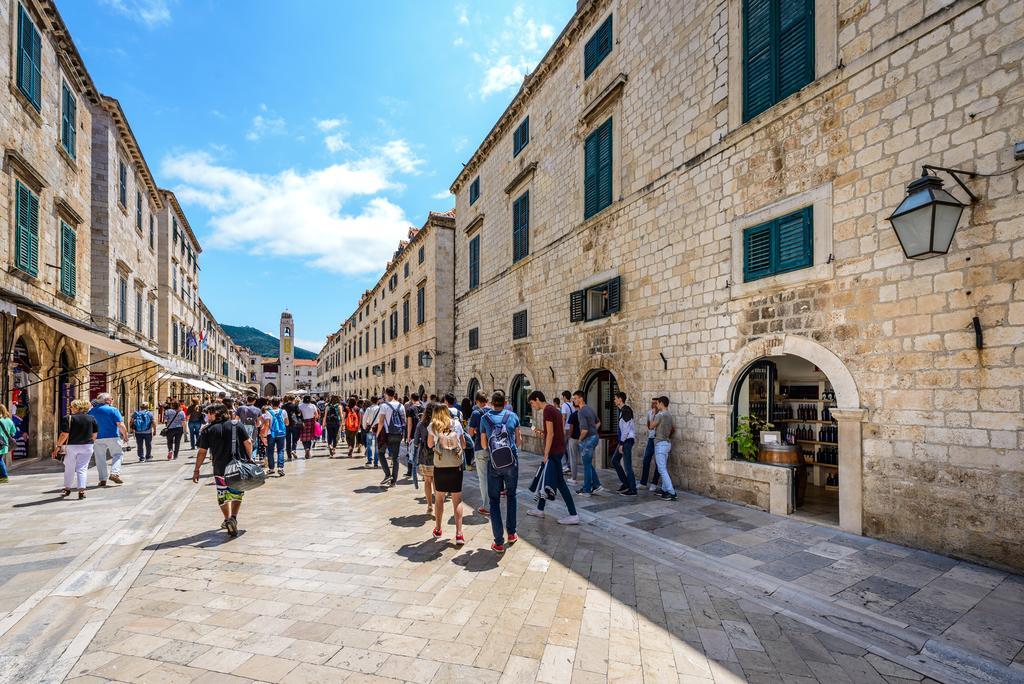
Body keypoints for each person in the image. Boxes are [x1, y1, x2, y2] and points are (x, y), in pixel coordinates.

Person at [192, 403, 253, 537]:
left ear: (217, 413)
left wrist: (197, 469)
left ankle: (226, 519)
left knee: (223, 495)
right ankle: (233, 518)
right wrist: (250, 459)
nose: (207, 416)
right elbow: (248, 442)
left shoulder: (208, 430)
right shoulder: (237, 425)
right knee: (237, 493)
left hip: (219, 468)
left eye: (209, 413)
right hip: (238, 467)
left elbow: (202, 452)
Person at [526, 391, 580, 524]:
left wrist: (545, 454)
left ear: (537, 399)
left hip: (553, 452)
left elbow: (550, 434)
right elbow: (555, 431)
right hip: (558, 450)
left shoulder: (547, 411)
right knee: (547, 480)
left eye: (532, 403)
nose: (532, 406)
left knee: (560, 483)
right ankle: (540, 509)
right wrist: (542, 432)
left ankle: (573, 514)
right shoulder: (554, 409)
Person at [479, 391, 521, 553]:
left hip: (494, 464)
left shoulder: (485, 418)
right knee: (511, 496)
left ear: (491, 402)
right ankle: (511, 533)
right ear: (505, 402)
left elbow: (483, 445)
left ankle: (498, 542)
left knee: (494, 501)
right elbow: (518, 441)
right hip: (511, 463)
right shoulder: (513, 416)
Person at [426, 403, 466, 545]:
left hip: (440, 466)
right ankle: (459, 534)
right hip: (455, 466)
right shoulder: (456, 424)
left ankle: (438, 528)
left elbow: (430, 445)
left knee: (439, 498)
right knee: (457, 499)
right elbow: (464, 444)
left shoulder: (432, 426)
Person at [52, 399, 98, 499]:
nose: (70, 408)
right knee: (82, 468)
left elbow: (64, 434)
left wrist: (58, 446)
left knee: (69, 467)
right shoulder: (91, 418)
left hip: (71, 446)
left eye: (72, 406)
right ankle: (81, 490)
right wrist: (90, 443)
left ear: (77, 408)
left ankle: (67, 488)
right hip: (87, 446)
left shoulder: (68, 418)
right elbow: (94, 434)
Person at [89, 393, 128, 485]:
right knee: (118, 454)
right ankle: (114, 473)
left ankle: (102, 479)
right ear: (107, 400)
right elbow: (120, 425)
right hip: (113, 436)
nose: (112, 400)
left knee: (99, 458)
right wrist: (125, 435)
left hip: (97, 438)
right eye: (111, 399)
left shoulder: (91, 411)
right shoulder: (113, 410)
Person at [572, 390, 602, 496]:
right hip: (594, 438)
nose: (573, 400)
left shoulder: (581, 411)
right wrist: (593, 431)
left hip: (588, 440)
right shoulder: (589, 408)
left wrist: (580, 440)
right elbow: (598, 422)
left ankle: (586, 490)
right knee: (588, 464)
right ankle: (597, 485)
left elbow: (584, 430)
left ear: (581, 398)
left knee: (586, 466)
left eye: (575, 398)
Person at [375, 388, 406, 487]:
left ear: (386, 394)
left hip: (387, 435)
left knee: (380, 453)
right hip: (398, 434)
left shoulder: (384, 406)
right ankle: (394, 482)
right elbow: (403, 421)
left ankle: (388, 474)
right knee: (395, 457)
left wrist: (377, 434)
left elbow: (381, 422)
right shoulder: (401, 406)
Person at [467, 391, 490, 515]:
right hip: (493, 449)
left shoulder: (476, 413)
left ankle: (487, 506)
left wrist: (476, 431)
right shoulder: (492, 411)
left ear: (477, 401)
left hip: (480, 448)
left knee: (483, 478)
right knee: (492, 477)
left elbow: (470, 433)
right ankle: (493, 503)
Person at [612, 392, 638, 496]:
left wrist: (622, 443)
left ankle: (633, 489)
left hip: (627, 441)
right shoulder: (621, 411)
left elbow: (626, 429)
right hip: (623, 441)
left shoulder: (626, 410)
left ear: (620, 399)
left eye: (615, 398)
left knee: (627, 466)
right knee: (615, 460)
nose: (614, 400)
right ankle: (626, 483)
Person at [652, 396, 677, 501]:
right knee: (663, 468)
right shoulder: (670, 416)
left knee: (661, 469)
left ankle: (671, 492)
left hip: (660, 444)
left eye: (657, 403)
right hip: (667, 443)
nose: (656, 405)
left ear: (661, 403)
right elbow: (672, 429)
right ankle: (664, 489)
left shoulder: (659, 415)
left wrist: (653, 414)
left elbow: (651, 426)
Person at [414, 402, 435, 518]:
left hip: (425, 455)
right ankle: (438, 503)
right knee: (436, 481)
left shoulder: (421, 424)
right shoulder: (438, 424)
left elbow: (416, 441)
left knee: (427, 481)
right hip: (437, 455)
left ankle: (429, 505)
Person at [638, 398, 661, 491]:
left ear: (659, 404)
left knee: (658, 462)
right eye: (652, 403)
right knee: (646, 459)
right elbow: (649, 426)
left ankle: (654, 483)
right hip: (651, 439)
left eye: (655, 403)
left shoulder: (661, 415)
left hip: (658, 439)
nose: (653, 405)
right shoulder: (649, 413)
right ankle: (643, 483)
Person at [266, 398, 289, 476]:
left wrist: (263, 435)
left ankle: (271, 469)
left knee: (270, 451)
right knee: (281, 450)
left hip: (271, 434)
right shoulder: (283, 411)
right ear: (280, 404)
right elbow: (287, 423)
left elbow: (267, 424)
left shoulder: (268, 412)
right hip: (281, 434)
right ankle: (280, 468)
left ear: (271, 404)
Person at [561, 390, 580, 485]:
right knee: (569, 449)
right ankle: (568, 465)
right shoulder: (573, 405)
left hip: (567, 428)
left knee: (563, 447)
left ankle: (565, 466)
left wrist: (563, 428)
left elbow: (563, 417)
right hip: (574, 430)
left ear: (564, 397)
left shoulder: (564, 405)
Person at [362, 397, 382, 468]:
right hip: (378, 429)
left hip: (370, 429)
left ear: (371, 401)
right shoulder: (380, 409)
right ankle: (376, 462)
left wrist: (364, 427)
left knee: (369, 444)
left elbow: (364, 419)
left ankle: (370, 459)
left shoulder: (368, 409)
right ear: (377, 401)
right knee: (377, 446)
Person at [0, 405, 15, 483]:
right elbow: (13, 432)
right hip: (5, 444)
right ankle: (3, 476)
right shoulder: (9, 420)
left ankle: (4, 476)